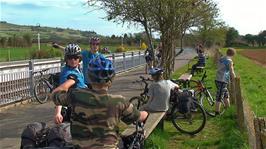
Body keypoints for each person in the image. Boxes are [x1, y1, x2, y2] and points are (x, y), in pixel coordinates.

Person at [51, 56, 148, 149]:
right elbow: (139, 117)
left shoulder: (76, 95)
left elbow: (55, 95)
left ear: (89, 77)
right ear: (111, 79)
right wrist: (146, 112)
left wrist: (71, 81)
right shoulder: (119, 101)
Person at [53, 43, 87, 124]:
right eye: (70, 57)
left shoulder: (77, 68)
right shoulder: (67, 73)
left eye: (75, 57)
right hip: (75, 110)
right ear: (66, 58)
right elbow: (61, 92)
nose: (73, 60)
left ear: (79, 58)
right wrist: (58, 113)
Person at [215, 48, 236, 115]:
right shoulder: (229, 61)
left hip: (217, 79)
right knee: (219, 96)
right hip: (222, 80)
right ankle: (217, 112)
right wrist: (235, 79)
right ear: (233, 54)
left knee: (226, 95)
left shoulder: (222, 58)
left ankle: (228, 108)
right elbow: (231, 71)